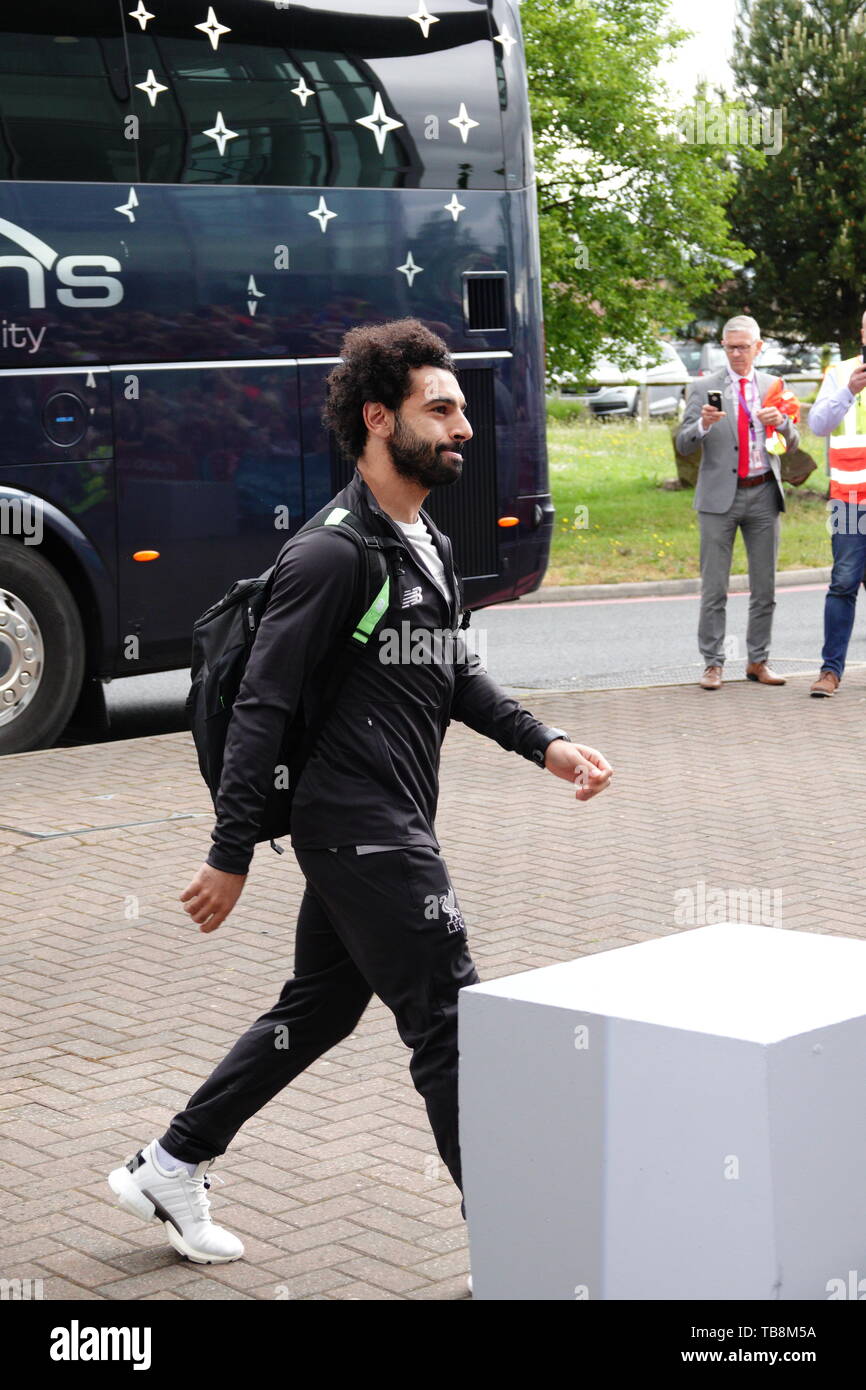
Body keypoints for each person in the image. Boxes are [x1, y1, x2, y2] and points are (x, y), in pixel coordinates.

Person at [106, 318, 614, 1266]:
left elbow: (450, 671)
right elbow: (261, 704)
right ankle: (518, 1254)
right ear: (380, 419)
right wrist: (228, 853)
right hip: (363, 830)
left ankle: (170, 1164)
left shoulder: (426, 542)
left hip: (385, 821)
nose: (464, 426)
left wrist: (544, 743)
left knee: (321, 1007)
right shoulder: (332, 554)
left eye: (461, 409)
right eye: (441, 409)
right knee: (452, 1025)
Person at [675, 315, 799, 690]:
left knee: (765, 588)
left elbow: (791, 443)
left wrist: (782, 422)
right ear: (723, 348)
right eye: (730, 348)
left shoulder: (773, 385)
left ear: (758, 347)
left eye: (744, 347)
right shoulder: (703, 387)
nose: (736, 354)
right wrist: (704, 425)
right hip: (718, 499)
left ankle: (758, 661)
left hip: (763, 493)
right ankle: (713, 664)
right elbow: (683, 443)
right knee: (715, 588)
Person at [804, 311, 866, 697]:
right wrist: (849, 391)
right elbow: (817, 424)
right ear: (862, 332)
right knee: (843, 583)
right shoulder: (840, 372)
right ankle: (830, 672)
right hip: (849, 499)